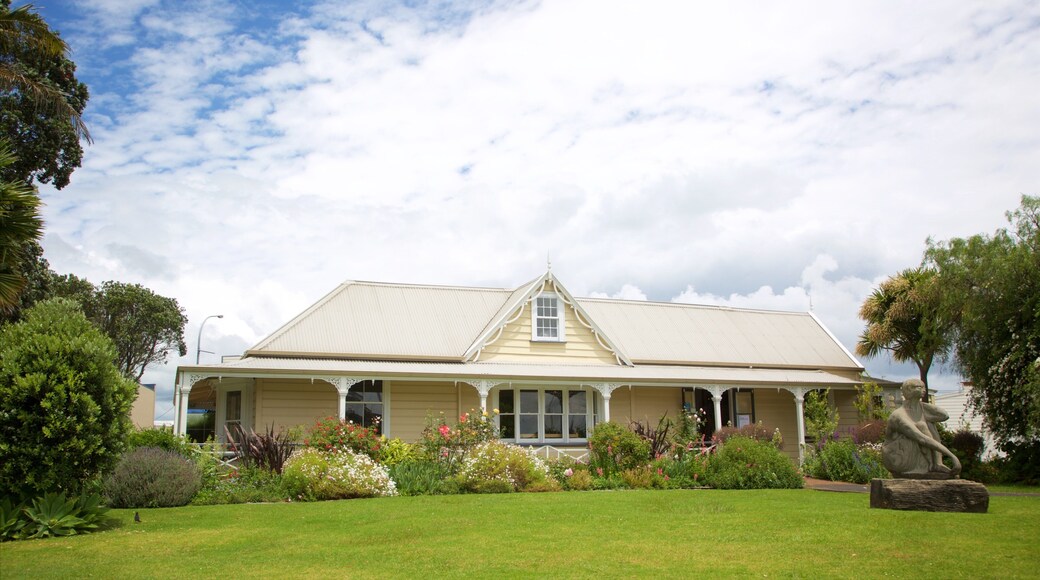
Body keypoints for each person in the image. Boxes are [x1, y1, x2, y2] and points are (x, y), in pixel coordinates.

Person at [882, 379, 961, 478]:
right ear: (908, 390)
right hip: (897, 457)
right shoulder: (898, 416)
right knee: (921, 425)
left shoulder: (921, 409)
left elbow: (944, 415)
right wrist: (952, 456)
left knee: (927, 424)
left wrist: (922, 407)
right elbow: (921, 438)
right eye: (919, 387)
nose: (924, 390)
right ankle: (932, 465)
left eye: (924, 387)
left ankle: (937, 463)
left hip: (910, 451)